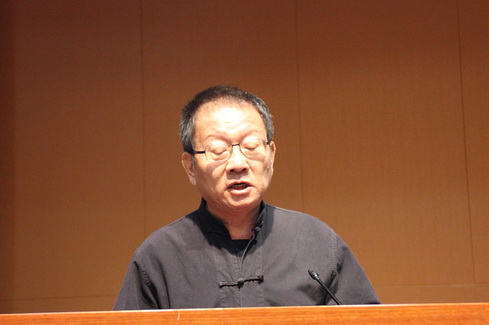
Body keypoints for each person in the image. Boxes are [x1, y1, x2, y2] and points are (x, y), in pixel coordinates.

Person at [114, 85, 379, 310]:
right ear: (190, 166)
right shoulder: (159, 256)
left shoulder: (315, 241)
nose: (238, 164)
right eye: (218, 150)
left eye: (251, 146)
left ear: (271, 155)